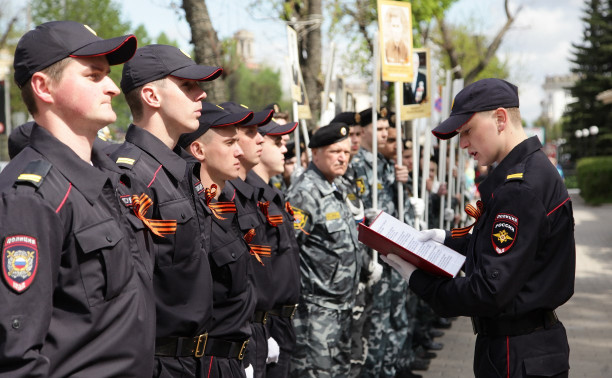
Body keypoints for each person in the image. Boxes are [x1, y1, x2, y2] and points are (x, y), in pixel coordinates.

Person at [383, 78, 575, 378]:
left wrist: (420, 281)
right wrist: (447, 240)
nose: (462, 144)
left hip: (518, 353)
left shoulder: (520, 188)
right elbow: (510, 250)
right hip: (524, 348)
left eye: (468, 131)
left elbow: (487, 291)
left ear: (500, 119)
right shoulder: (526, 173)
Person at [0, 21, 156, 376]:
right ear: (43, 87)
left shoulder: (109, 178)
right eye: (94, 76)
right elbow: (15, 356)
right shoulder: (31, 197)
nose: (114, 88)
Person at [111, 44, 222, 377]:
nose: (201, 95)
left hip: (199, 360)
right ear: (151, 96)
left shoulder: (180, 169)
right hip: (161, 364)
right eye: (187, 86)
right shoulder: (132, 176)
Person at [178, 102, 257, 378]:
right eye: (230, 143)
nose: (240, 151)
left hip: (236, 357)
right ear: (199, 150)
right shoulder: (193, 214)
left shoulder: (226, 208)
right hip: (209, 362)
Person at [286, 123, 360, 378]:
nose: (342, 158)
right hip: (316, 311)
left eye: (346, 152)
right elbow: (289, 249)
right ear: (315, 153)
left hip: (341, 307)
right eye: (334, 151)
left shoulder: (334, 186)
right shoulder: (306, 192)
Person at [246, 117, 302, 378]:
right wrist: (262, 329)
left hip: (281, 320)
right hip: (266, 321)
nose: (284, 150)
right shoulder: (249, 195)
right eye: (277, 142)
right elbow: (252, 274)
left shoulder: (271, 193)